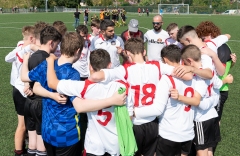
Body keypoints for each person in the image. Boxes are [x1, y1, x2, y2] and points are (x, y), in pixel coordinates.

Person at [90, 38, 192, 156]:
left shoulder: (125, 69)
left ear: (127, 53)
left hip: (135, 122)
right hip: (153, 122)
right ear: (144, 52)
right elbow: (188, 76)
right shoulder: (158, 66)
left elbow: (96, 77)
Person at [46, 49, 127, 156]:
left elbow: (52, 83)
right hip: (116, 144)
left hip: (93, 146)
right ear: (110, 65)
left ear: (90, 67)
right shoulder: (122, 86)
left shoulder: (83, 87)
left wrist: (50, 61)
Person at [134, 45, 205, 156]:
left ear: (165, 59)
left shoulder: (166, 79)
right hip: (188, 133)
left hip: (169, 134)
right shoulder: (196, 77)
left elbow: (158, 108)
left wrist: (134, 112)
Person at [180, 45, 233, 156]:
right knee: (209, 150)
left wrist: (180, 97)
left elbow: (197, 102)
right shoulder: (210, 73)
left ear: (189, 61)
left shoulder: (197, 78)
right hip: (213, 116)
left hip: (201, 119)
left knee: (201, 151)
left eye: (184, 62)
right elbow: (218, 85)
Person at [23, 26, 62, 156]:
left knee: (32, 140)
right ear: (51, 42)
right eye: (57, 44)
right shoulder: (47, 60)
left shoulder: (34, 56)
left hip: (29, 102)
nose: (57, 47)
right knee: (42, 144)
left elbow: (28, 76)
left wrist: (28, 85)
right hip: (41, 103)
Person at [5, 26, 35, 156]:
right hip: (22, 89)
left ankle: (28, 146)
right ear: (32, 38)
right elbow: (7, 58)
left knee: (30, 122)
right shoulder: (22, 48)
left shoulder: (30, 47)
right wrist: (22, 48)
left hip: (26, 88)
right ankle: (19, 151)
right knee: (22, 124)